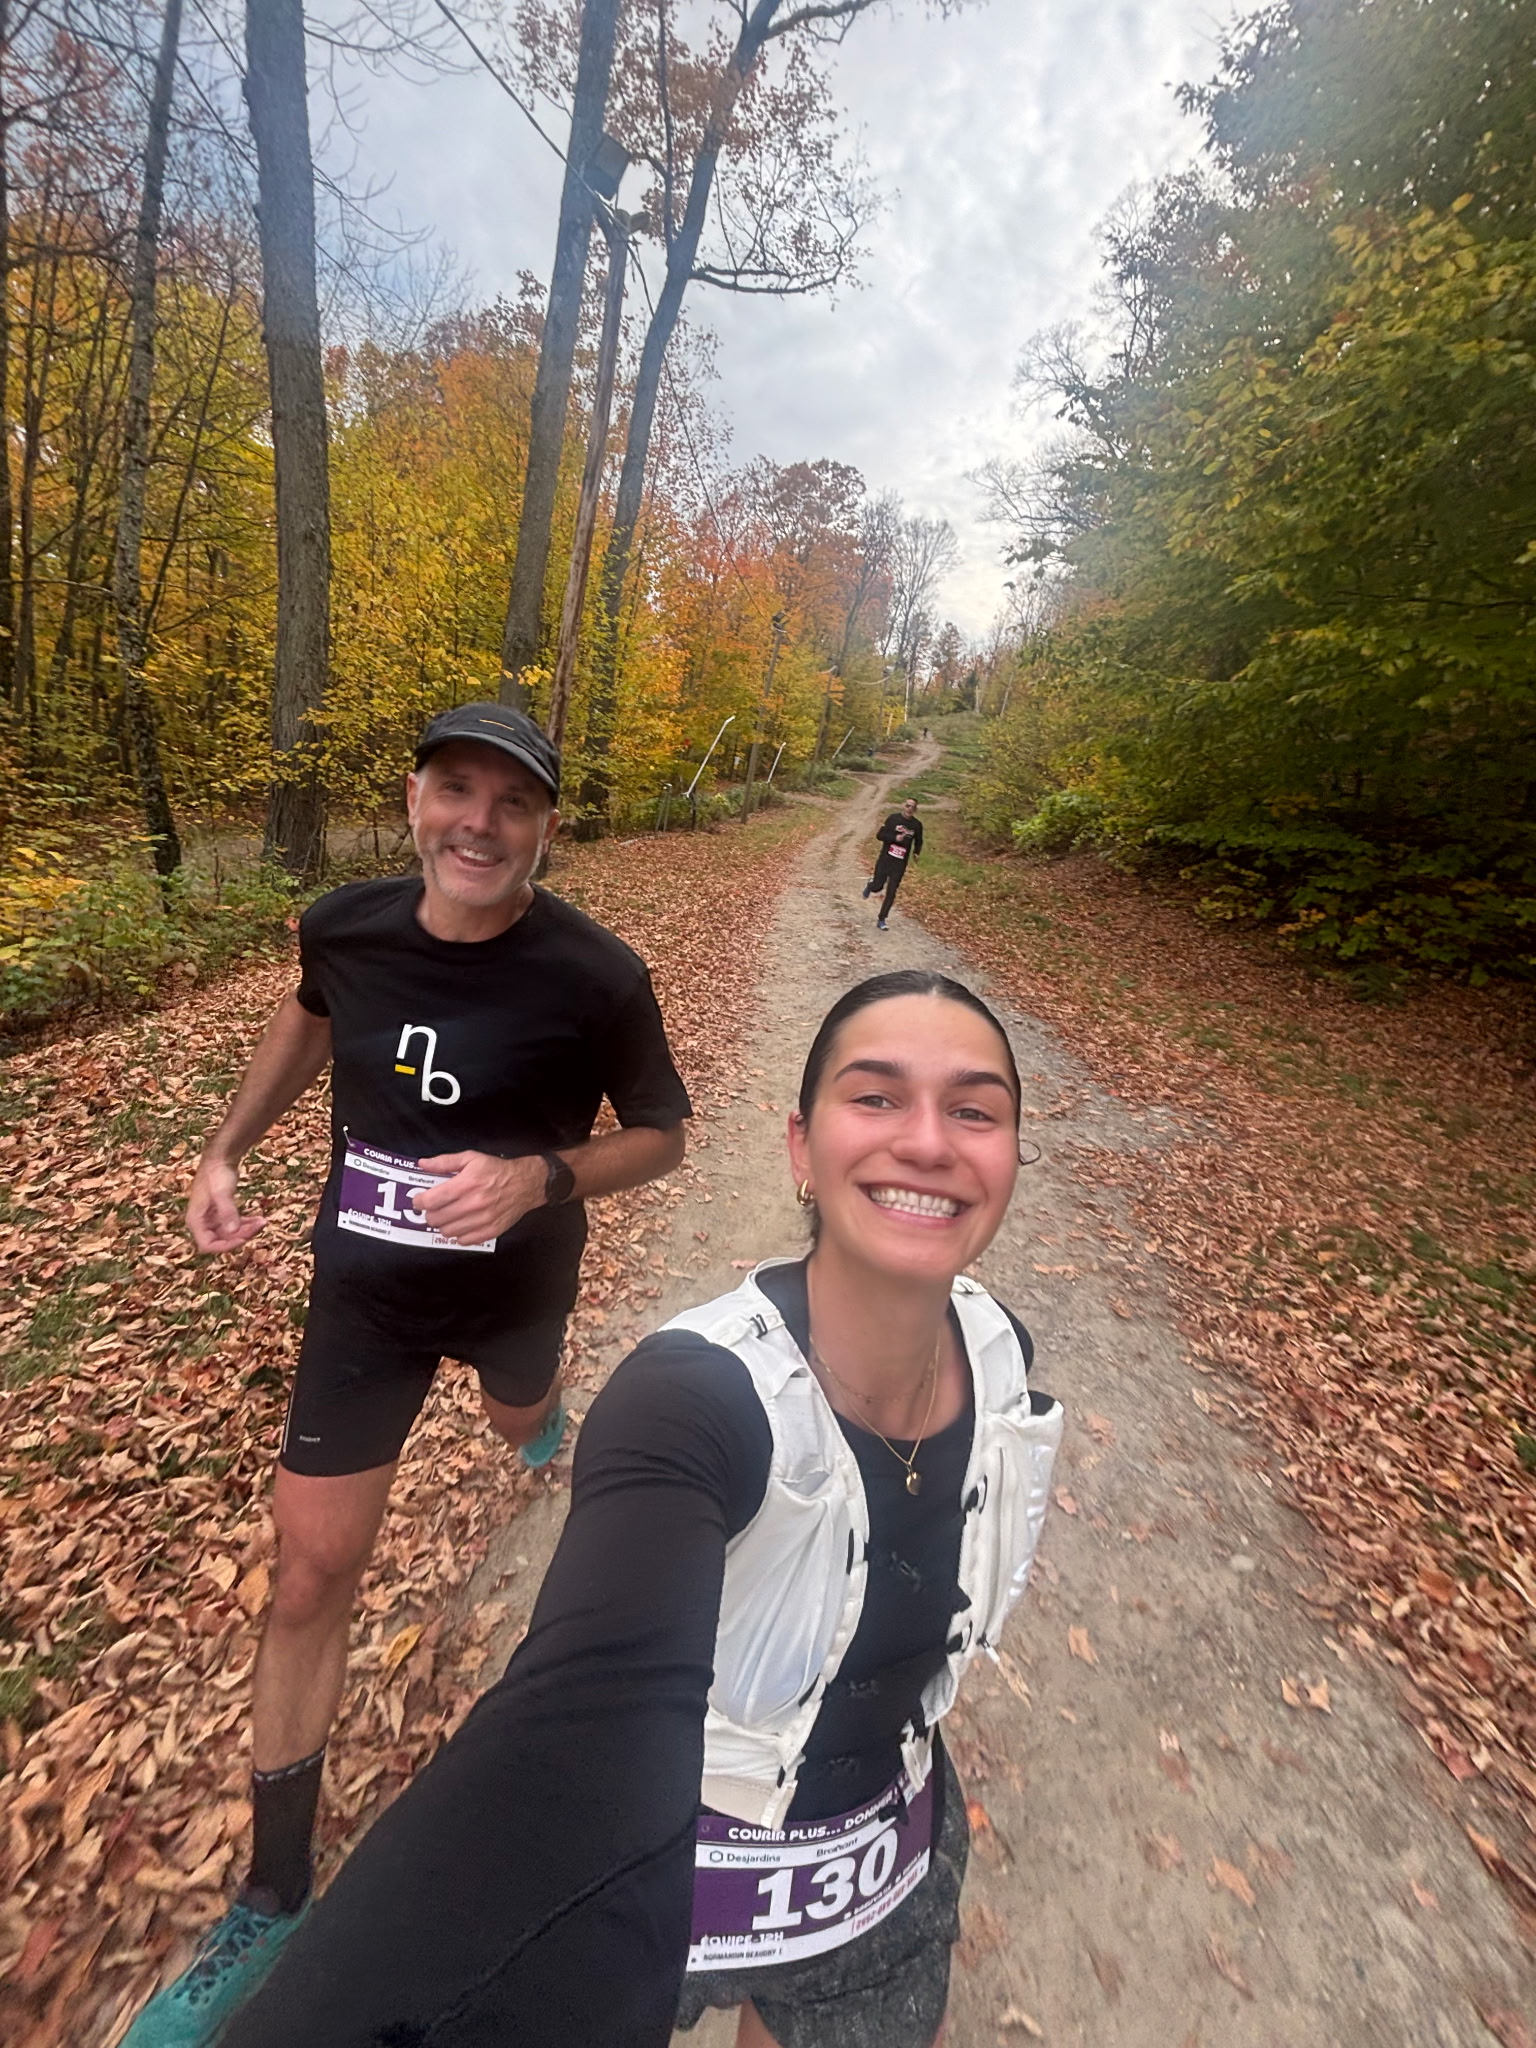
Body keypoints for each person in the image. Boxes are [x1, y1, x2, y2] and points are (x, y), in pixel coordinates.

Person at [217, 967, 1063, 2048]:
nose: (930, 1141)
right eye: (876, 1096)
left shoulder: (1000, 1353)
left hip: (881, 1877)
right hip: (660, 1882)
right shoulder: (693, 1399)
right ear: (801, 1148)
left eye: (976, 1110)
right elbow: (571, 1723)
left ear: (1012, 1154)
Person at [124, 703, 692, 2048]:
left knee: (516, 1417)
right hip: (365, 1301)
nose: (478, 824)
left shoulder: (599, 976)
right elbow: (306, 1021)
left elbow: (665, 1135)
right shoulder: (345, 926)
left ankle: (539, 1420)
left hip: (516, 1290)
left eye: (513, 802)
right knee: (309, 1573)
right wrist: (225, 1148)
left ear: (547, 825)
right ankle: (272, 1892)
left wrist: (540, 1175)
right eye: (456, 790)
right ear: (415, 798)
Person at [862, 796, 924, 930]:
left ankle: (882, 919)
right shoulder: (893, 819)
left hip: (900, 863)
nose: (910, 809)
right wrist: (895, 838)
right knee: (878, 886)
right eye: (908, 806)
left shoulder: (917, 825)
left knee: (891, 891)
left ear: (915, 810)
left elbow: (919, 841)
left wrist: (916, 852)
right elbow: (880, 835)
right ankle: (871, 885)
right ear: (904, 806)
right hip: (886, 859)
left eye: (913, 807)